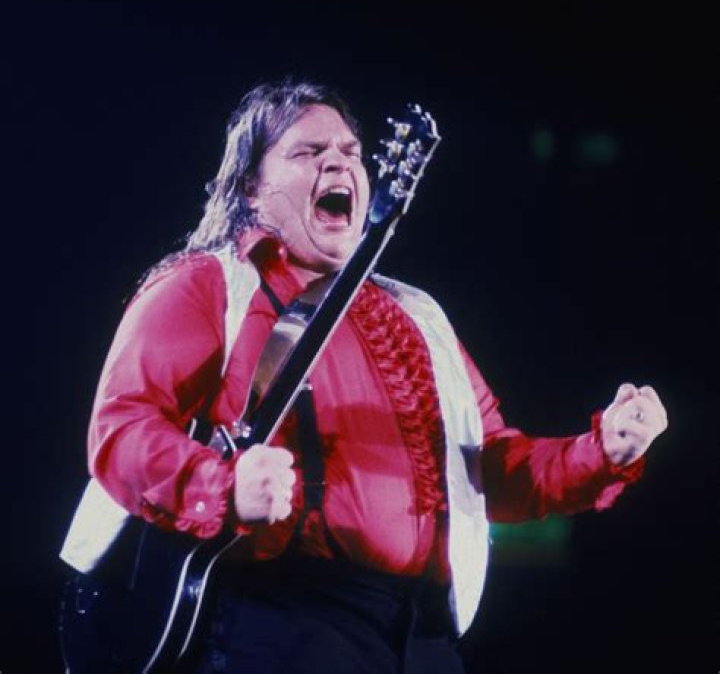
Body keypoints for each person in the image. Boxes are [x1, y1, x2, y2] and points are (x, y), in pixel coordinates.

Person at [60, 79, 667, 673]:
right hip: (278, 620)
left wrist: (600, 452)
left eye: (350, 152)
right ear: (251, 186)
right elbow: (122, 430)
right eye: (308, 151)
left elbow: (491, 469)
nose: (338, 163)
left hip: (421, 635)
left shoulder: (418, 316)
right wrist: (221, 487)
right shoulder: (207, 284)